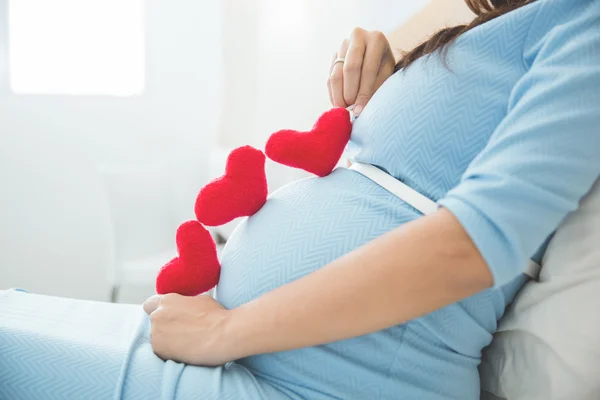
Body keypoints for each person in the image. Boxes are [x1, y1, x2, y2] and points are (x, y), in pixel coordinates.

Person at [1, 0, 599, 399]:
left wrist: (226, 332)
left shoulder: (585, 23)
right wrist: (392, 76)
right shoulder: (517, 24)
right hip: (270, 364)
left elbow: (472, 246)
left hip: (323, 385)